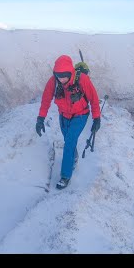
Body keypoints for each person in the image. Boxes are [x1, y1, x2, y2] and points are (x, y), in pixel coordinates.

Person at [35, 54, 101, 189]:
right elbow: (46, 100)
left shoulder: (82, 80)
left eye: (64, 76)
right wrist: (40, 119)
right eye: (58, 75)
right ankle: (73, 157)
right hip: (63, 116)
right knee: (68, 141)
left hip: (80, 115)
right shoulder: (53, 81)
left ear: (70, 72)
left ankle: (65, 176)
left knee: (69, 142)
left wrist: (96, 118)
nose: (61, 79)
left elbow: (94, 99)